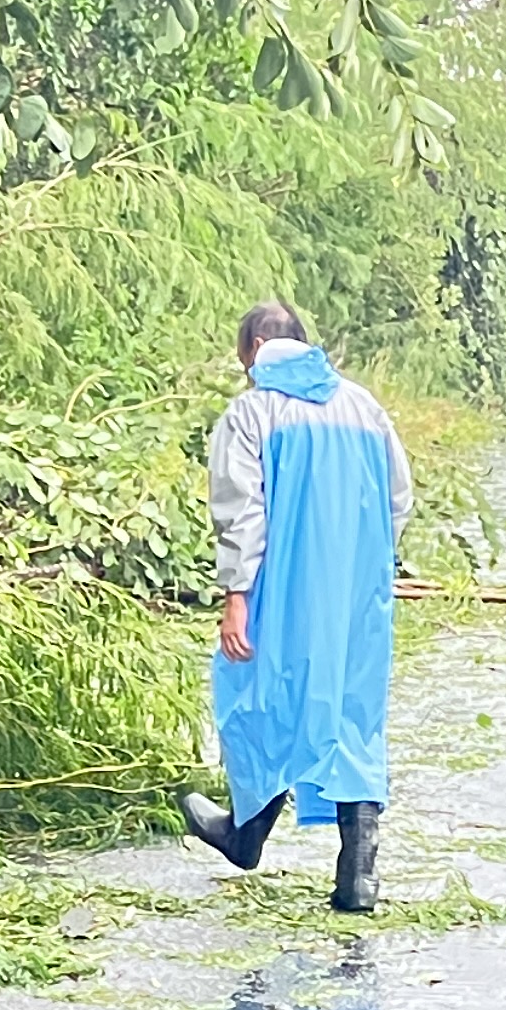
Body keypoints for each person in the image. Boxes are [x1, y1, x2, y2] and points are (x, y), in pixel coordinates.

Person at [179, 301, 414, 914]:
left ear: (254, 346)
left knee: (260, 696)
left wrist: (237, 594)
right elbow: (398, 500)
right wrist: (366, 568)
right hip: (358, 593)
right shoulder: (365, 408)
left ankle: (244, 834)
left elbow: (242, 511)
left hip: (283, 587)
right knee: (350, 713)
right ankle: (358, 873)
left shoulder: (254, 412)